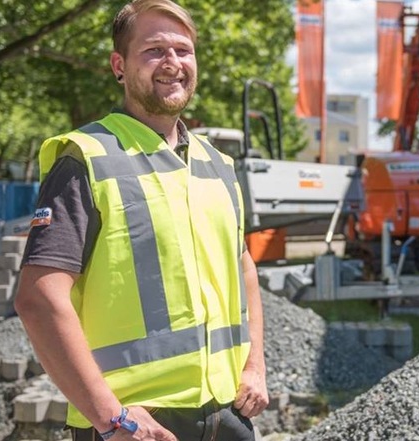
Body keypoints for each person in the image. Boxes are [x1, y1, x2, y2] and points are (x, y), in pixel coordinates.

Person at [14, 1, 268, 440]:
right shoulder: (86, 159)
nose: (172, 63)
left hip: (225, 418)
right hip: (135, 426)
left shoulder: (218, 164)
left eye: (183, 51)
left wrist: (254, 365)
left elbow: (242, 265)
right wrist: (112, 418)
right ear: (119, 65)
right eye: (154, 50)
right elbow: (38, 299)